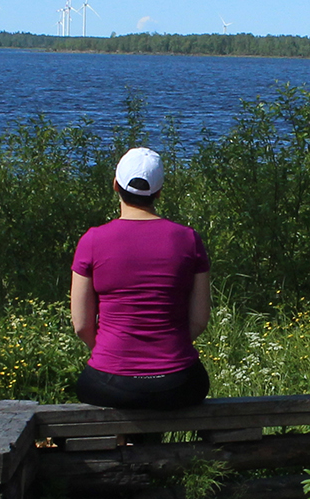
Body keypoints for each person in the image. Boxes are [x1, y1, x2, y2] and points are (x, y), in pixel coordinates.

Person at [69, 147, 211, 409]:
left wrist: (107, 354)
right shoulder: (189, 239)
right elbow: (199, 319)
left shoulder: (92, 240)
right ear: (158, 192)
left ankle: (127, 447)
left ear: (115, 185)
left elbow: (81, 325)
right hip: (179, 382)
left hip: (111, 382)